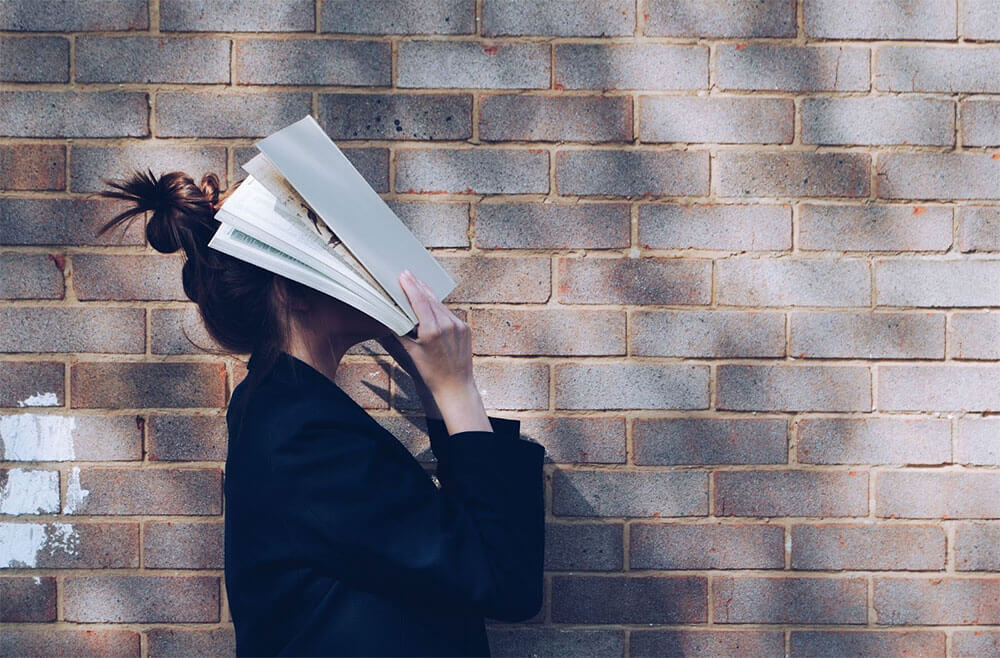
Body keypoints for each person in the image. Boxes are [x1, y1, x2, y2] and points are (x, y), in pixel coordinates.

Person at [96, 168, 546, 657]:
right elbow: (504, 580)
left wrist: (433, 386)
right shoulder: (301, 436)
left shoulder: (288, 413)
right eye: (338, 248)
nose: (366, 264)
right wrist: (457, 387)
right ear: (292, 289)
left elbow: (461, 558)